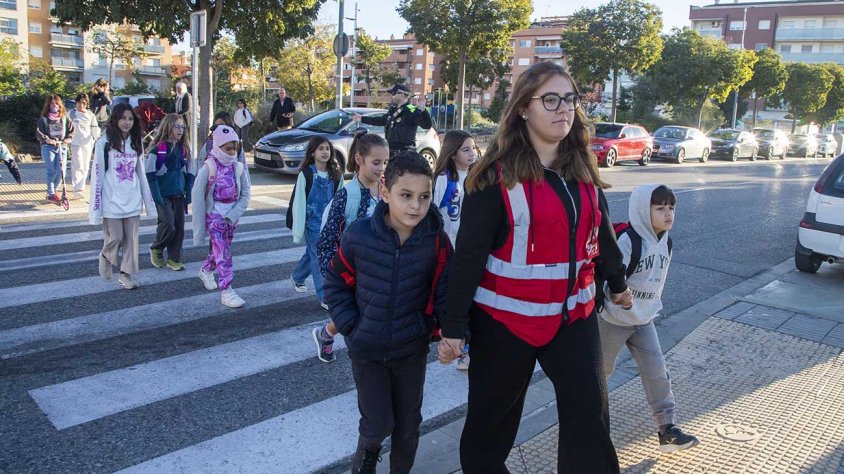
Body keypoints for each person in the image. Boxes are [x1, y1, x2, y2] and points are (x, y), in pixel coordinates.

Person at [438, 61, 632, 474]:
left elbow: (600, 230)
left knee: (590, 424)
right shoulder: (491, 177)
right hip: (505, 324)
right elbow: (468, 257)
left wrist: (616, 281)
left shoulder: (582, 166)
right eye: (551, 100)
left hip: (573, 320)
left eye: (569, 99)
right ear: (524, 108)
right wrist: (453, 326)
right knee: (487, 434)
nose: (564, 109)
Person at [323, 151, 450, 474]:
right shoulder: (359, 235)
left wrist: (450, 331)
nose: (415, 207)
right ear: (385, 191)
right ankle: (363, 465)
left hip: (411, 349)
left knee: (408, 426)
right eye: (405, 196)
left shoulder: (436, 241)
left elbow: (447, 290)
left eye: (424, 197)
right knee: (378, 423)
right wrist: (351, 324)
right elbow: (335, 279)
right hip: (367, 349)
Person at [598, 184, 700, 453]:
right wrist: (618, 294)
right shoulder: (628, 241)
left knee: (657, 372)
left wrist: (649, 306)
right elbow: (609, 277)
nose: (668, 214)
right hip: (612, 320)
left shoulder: (666, 241)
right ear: (644, 211)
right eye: (660, 208)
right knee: (599, 375)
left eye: (671, 208)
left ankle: (667, 429)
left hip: (643, 320)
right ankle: (588, 426)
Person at [312, 131, 389, 363]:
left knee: (363, 313)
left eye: (385, 162)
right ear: (359, 160)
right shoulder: (347, 195)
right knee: (358, 316)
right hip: (352, 271)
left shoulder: (388, 189)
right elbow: (326, 240)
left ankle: (326, 334)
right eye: (376, 162)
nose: (382, 168)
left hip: (381, 267)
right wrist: (335, 277)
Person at [89, 103, 157, 289]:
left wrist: (148, 203)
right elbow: (98, 175)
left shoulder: (136, 143)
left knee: (132, 241)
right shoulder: (104, 143)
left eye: (130, 119)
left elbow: (141, 173)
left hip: (133, 200)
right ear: (115, 119)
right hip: (112, 201)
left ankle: (126, 274)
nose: (127, 122)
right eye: (123, 118)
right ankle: (106, 256)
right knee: (116, 237)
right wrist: (96, 208)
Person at [192, 125, 252, 308]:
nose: (232, 152)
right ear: (218, 146)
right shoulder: (208, 167)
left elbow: (246, 194)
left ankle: (206, 269)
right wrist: (200, 227)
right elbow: (197, 195)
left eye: (234, 148)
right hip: (214, 215)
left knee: (220, 249)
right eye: (228, 148)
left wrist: (233, 215)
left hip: (231, 216)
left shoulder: (238, 167)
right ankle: (227, 291)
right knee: (224, 252)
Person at [432, 129, 477, 371]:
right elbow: (435, 215)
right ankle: (456, 346)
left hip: (470, 252)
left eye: (473, 149)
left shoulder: (478, 176)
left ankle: (465, 349)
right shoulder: (443, 179)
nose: (472, 154)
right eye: (466, 149)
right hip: (448, 252)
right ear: (452, 153)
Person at [287, 136, 343, 310]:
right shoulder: (306, 174)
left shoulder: (336, 174)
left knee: (312, 253)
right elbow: (299, 202)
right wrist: (298, 229)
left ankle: (297, 277)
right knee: (319, 257)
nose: (325, 152)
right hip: (311, 222)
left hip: (329, 223)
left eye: (327, 148)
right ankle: (324, 295)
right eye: (320, 149)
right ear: (312, 152)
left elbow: (340, 199)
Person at [145, 113, 196, 272]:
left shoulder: (184, 150)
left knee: (179, 228)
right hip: (163, 195)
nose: (180, 130)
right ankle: (157, 247)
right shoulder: (158, 150)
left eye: (182, 127)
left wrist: (189, 194)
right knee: (168, 224)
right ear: (168, 127)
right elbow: (150, 174)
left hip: (179, 195)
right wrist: (156, 196)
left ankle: (174, 259)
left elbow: (190, 173)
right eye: (177, 126)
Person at [352, 84, 431, 157]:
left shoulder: (411, 110)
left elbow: (426, 125)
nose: (392, 97)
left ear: (401, 95)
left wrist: (424, 111)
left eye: (393, 94)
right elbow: (382, 120)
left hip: (404, 154)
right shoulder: (393, 110)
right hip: (390, 152)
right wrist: (362, 118)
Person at [36, 94, 74, 203]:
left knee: (61, 172)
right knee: (50, 171)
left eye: (56, 103)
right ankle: (51, 193)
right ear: (48, 105)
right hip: (48, 147)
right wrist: (48, 140)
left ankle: (55, 189)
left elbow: (71, 132)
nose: (54, 106)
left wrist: (68, 139)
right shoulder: (44, 118)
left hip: (62, 146)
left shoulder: (65, 118)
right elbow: (39, 133)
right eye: (52, 103)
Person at [70, 93, 101, 198]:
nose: (81, 105)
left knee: (85, 165)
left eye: (84, 103)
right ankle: (77, 189)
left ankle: (81, 186)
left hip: (87, 143)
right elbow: (65, 127)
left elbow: (95, 129)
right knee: (77, 165)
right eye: (79, 103)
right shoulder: (71, 114)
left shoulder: (90, 115)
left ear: (87, 104)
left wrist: (98, 139)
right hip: (75, 143)